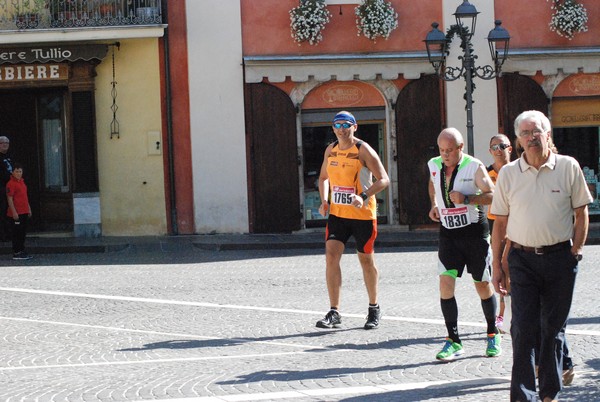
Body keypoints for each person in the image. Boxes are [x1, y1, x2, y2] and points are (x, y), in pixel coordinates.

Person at [490, 110, 592, 402]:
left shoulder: (568, 167)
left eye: (536, 132)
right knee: (522, 328)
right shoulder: (509, 174)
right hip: (522, 261)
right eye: (525, 133)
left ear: (548, 134)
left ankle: (549, 394)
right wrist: (497, 265)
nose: (531, 137)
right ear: (518, 140)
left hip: (560, 258)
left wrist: (577, 250)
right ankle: (523, 397)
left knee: (553, 330)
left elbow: (581, 211)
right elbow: (499, 223)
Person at [427, 128, 501, 362]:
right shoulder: (434, 164)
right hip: (448, 233)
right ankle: (453, 339)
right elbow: (433, 184)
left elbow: (493, 195)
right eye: (442, 150)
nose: (445, 155)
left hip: (474, 234)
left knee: (482, 283)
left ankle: (492, 332)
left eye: (450, 150)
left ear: (460, 148)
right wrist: (435, 204)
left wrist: (468, 199)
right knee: (445, 283)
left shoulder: (474, 166)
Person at [315, 111, 389, 330]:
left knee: (366, 260)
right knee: (331, 256)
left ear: (354, 127)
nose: (342, 128)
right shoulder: (331, 150)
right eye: (338, 125)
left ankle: (374, 308)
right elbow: (323, 178)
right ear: (333, 128)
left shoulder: (363, 149)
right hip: (338, 214)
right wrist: (324, 200)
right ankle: (334, 311)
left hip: (363, 215)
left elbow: (383, 179)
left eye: (347, 124)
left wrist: (364, 196)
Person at [486, 134, 513, 332]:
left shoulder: (516, 171)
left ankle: (505, 313)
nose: (498, 149)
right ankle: (502, 314)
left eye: (501, 146)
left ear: (509, 148)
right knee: (497, 268)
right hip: (493, 223)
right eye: (494, 146)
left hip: (514, 223)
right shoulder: (486, 173)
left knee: (508, 265)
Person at [6, 163, 33, 260]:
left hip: (24, 211)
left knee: (22, 232)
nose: (18, 173)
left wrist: (28, 208)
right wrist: (14, 212)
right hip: (17, 213)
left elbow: (25, 197)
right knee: (16, 232)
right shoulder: (10, 184)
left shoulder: (22, 182)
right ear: (13, 172)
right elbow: (9, 199)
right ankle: (17, 252)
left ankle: (21, 250)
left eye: (20, 171)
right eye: (16, 171)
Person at [0, 136, 14, 242]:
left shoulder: (9, 156)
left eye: (7, 143)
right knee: (3, 211)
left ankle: (10, 234)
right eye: (2, 143)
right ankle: (3, 235)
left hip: (11, 188)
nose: (5, 144)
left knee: (10, 211)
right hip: (2, 188)